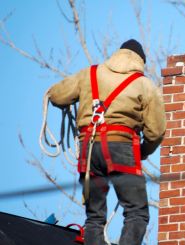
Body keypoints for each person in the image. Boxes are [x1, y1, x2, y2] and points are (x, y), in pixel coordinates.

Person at [48, 39, 166, 245]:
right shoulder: (144, 84)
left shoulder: (89, 74)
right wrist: (143, 151)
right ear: (140, 62)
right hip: (122, 148)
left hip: (89, 149)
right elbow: (156, 132)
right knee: (137, 213)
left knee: (94, 217)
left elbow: (56, 95)